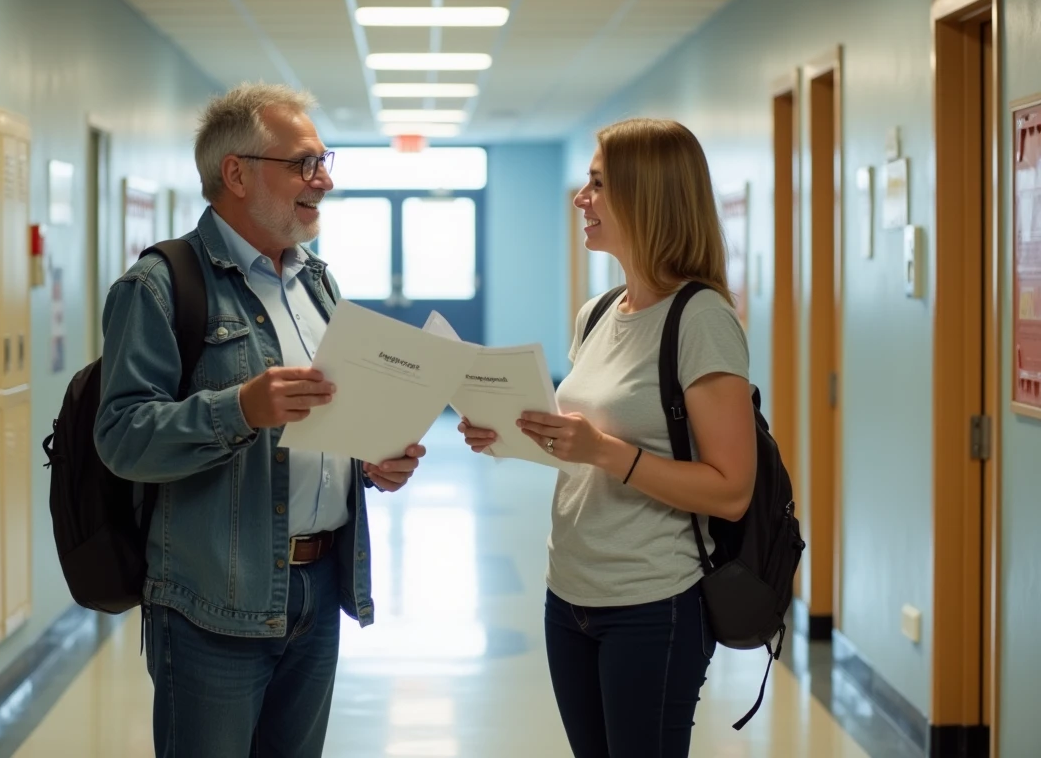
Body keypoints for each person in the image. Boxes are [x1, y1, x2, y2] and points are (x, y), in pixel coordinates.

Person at [94, 81, 426, 757]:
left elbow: (322, 425)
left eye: (324, 161)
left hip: (318, 590)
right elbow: (122, 437)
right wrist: (240, 408)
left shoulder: (317, 283)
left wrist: (370, 462)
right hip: (213, 603)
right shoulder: (160, 285)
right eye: (304, 163)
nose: (324, 179)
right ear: (237, 174)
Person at [459, 118, 756, 757]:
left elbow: (732, 491)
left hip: (653, 600)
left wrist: (603, 451)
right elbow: (586, 443)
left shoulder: (702, 319)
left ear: (648, 196)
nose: (581, 198)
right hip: (569, 592)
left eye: (598, 184)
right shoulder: (598, 313)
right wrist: (509, 432)